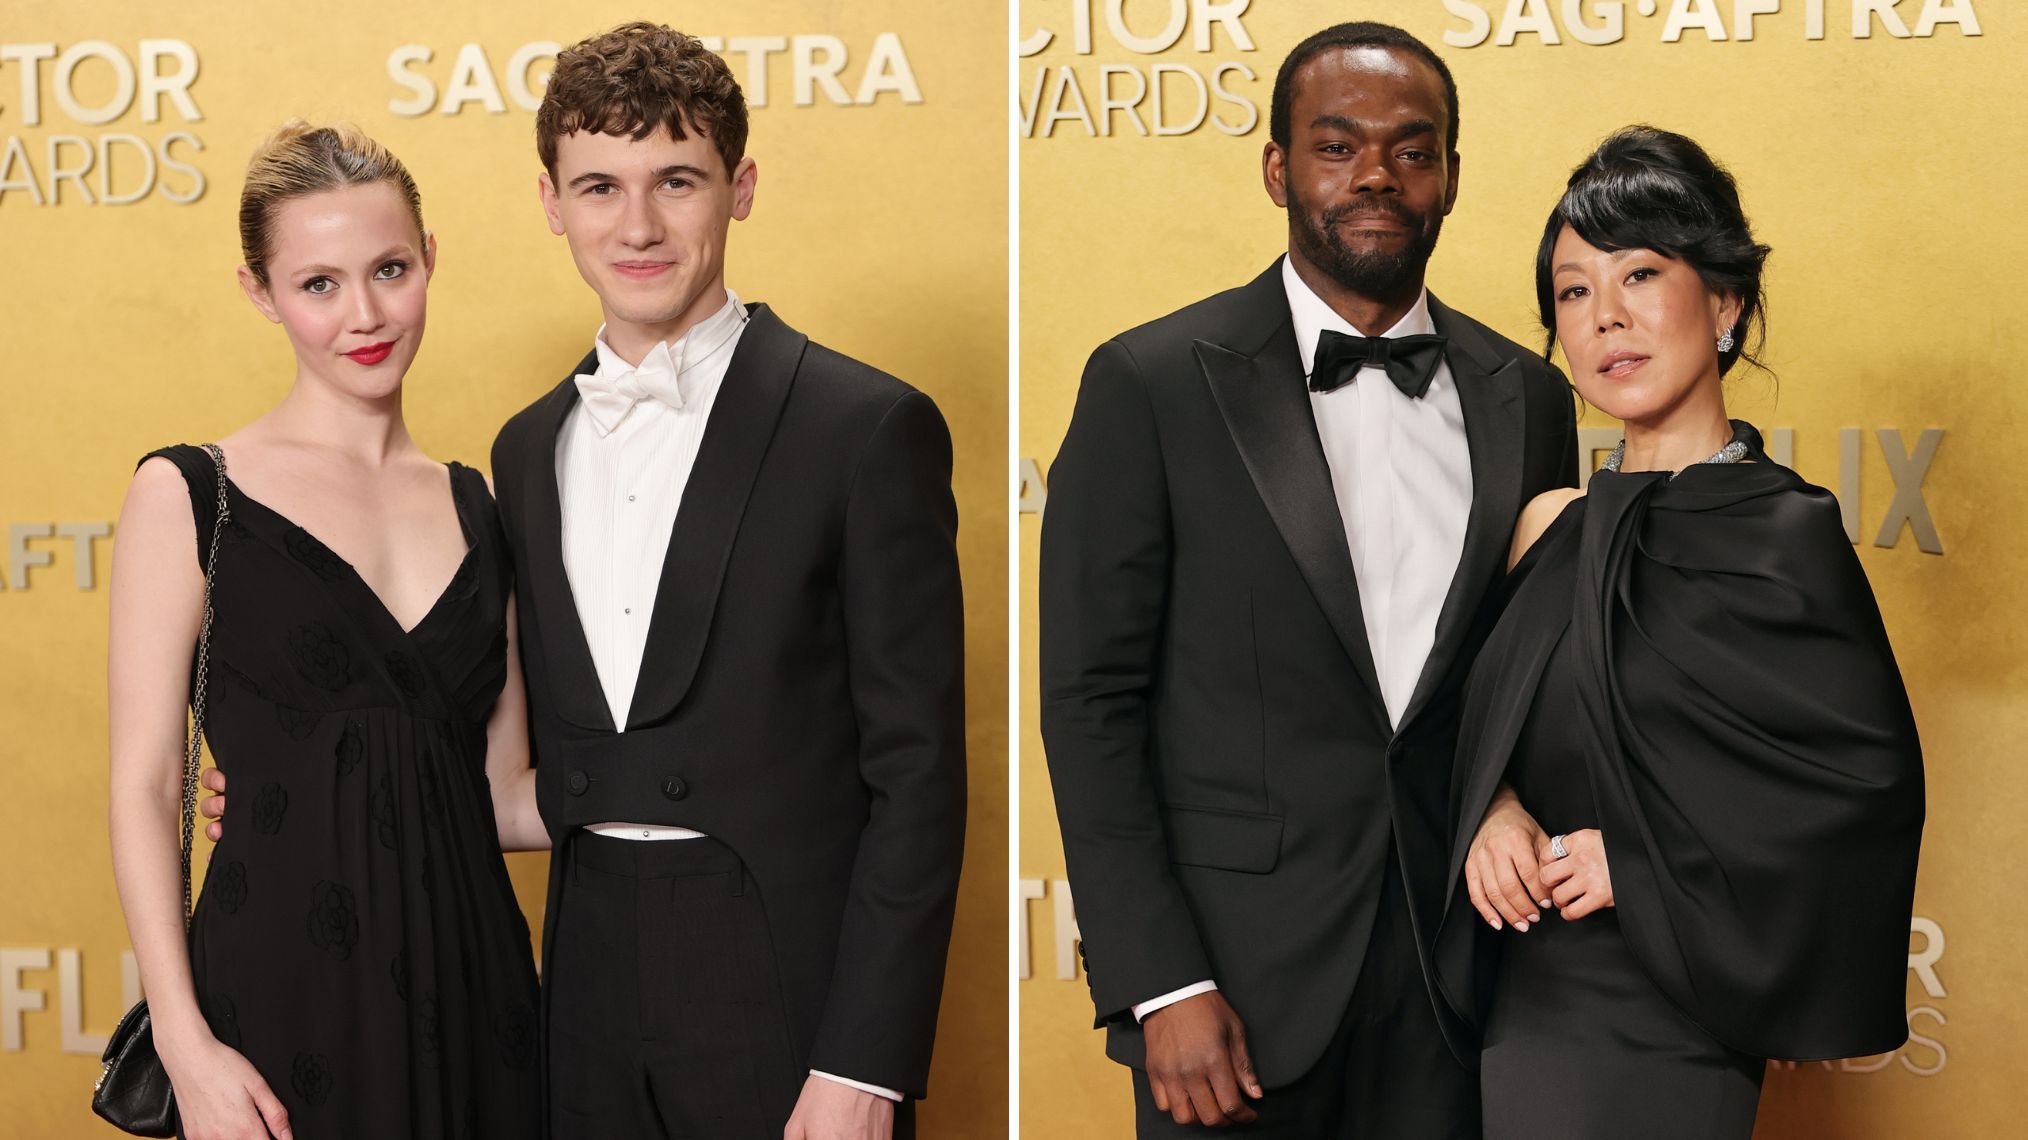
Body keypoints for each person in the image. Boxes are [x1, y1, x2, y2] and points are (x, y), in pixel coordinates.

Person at [1040, 22, 1577, 1137]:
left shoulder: (1527, 395)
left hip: (1463, 979)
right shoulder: (1151, 381)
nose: (1376, 175)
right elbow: (1090, 702)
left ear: (1450, 178)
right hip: (1230, 992)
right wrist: (1161, 982)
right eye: (1338, 147)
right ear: (1279, 169)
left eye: (1411, 150)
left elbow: (1529, 675)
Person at [488, 24, 966, 1140]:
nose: (638, 226)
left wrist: (866, 1063)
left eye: (676, 181)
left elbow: (918, 775)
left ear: (739, 188)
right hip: (585, 987)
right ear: (552, 203)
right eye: (599, 187)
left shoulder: (865, 426)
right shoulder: (524, 447)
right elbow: (500, 741)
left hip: (786, 988)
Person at [1438, 126, 1925, 1138]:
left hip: (1674, 1012)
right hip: (1508, 998)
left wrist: (1644, 864)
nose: (1605, 316)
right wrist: (1495, 810)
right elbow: (1466, 730)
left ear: (1725, 301)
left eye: (1641, 274)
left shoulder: (1784, 532)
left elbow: (1858, 796)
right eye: (1573, 291)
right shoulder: (1546, 526)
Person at [108, 122, 545, 1140]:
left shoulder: (481, 507)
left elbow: (501, 797)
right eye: (318, 284)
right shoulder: (190, 495)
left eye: (390, 270)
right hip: (274, 1001)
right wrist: (184, 1042)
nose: (365, 315)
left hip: (479, 991)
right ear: (261, 293)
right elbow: (147, 785)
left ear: (428, 259)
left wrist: (712, 772)